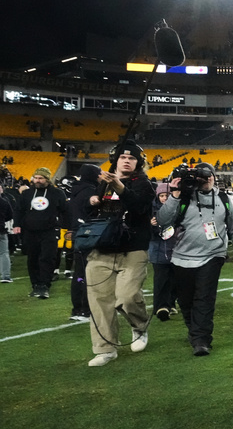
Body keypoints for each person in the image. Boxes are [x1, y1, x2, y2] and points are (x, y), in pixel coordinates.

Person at [157, 162, 233, 356]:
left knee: (204, 298)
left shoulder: (224, 198)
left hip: (213, 255)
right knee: (186, 300)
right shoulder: (182, 197)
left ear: (214, 177)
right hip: (182, 257)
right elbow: (163, 220)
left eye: (209, 176)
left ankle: (201, 340)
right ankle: (195, 331)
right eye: (202, 177)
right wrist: (174, 194)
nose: (206, 180)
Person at [83, 142, 155, 366]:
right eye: (123, 157)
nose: (127, 161)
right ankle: (105, 349)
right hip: (102, 248)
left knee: (128, 296)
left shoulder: (144, 185)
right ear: (115, 160)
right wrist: (93, 201)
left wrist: (118, 186)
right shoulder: (103, 184)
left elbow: (138, 207)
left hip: (132, 248)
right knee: (99, 301)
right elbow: (94, 213)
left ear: (138, 162)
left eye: (132, 158)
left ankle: (139, 327)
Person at [12, 167, 67, 299]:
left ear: (47, 179)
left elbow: (65, 211)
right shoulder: (26, 194)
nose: (37, 180)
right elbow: (19, 210)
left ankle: (44, 286)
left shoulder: (57, 193)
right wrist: (17, 224)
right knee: (32, 259)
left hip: (50, 231)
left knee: (47, 258)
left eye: (41, 178)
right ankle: (35, 285)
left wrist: (67, 228)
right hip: (30, 231)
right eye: (36, 178)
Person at [66, 164, 101, 320]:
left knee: (79, 273)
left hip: (78, 233)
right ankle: (85, 308)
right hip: (89, 234)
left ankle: (78, 308)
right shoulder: (90, 192)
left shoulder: (75, 190)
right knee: (87, 274)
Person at [148, 183, 179, 321]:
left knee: (174, 278)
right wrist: (151, 224)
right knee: (160, 278)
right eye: (161, 195)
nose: (164, 198)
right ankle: (160, 306)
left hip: (175, 247)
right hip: (157, 248)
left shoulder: (177, 207)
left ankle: (171, 303)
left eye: (167, 195)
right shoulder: (150, 209)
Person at [0, 184, 12, 283]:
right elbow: (9, 216)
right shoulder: (4, 202)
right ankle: (5, 276)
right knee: (3, 253)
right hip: (1, 230)